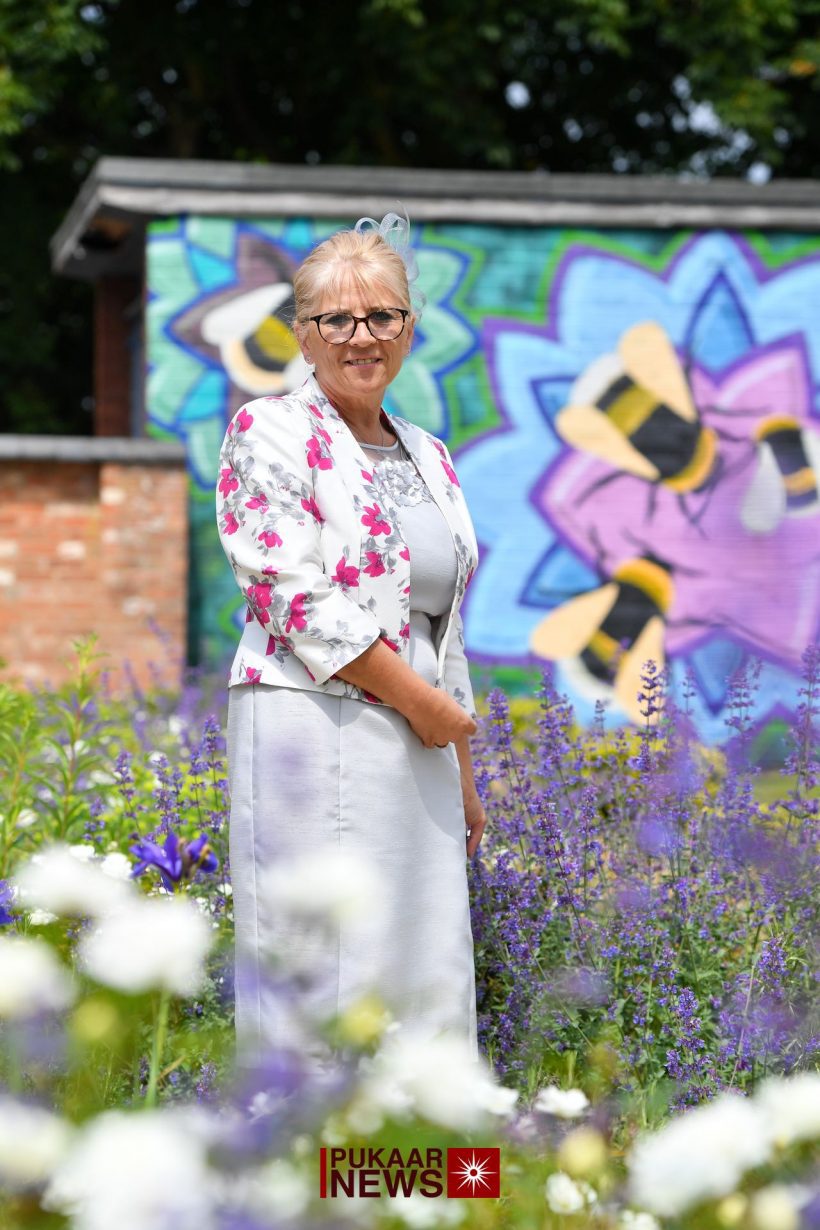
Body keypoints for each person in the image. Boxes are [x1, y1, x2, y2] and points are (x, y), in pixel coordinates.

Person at [215, 213, 487, 1063]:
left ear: (409, 327)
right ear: (303, 334)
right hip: (313, 726)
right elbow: (290, 593)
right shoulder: (269, 431)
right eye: (336, 319)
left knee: (423, 960)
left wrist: (462, 770)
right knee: (327, 965)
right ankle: (308, 1145)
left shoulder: (430, 455)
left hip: (418, 738)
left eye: (381, 316)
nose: (361, 337)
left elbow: (441, 624)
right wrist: (420, 706)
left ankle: (420, 1141)